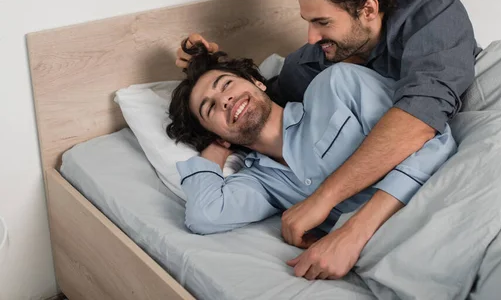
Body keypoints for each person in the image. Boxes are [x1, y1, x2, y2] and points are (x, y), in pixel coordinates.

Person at [175, 0, 477, 277]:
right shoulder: (306, 68)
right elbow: (258, 101)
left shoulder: (430, 16)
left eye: (322, 22)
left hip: (468, 123)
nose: (311, 38)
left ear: (368, 9)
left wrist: (322, 201)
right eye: (307, 21)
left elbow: (422, 121)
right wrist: (205, 69)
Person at [168, 42, 456, 280]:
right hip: (409, 267)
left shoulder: (337, 85)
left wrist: (354, 231)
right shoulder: (260, 183)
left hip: (452, 210)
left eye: (226, 84)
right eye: (210, 108)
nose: (225, 101)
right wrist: (217, 147)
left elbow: (432, 137)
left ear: (258, 83)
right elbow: (204, 215)